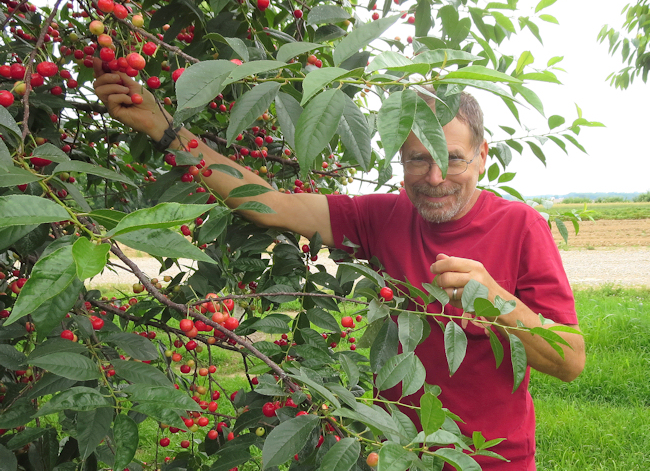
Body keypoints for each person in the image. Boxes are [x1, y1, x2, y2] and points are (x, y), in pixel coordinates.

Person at [93, 61, 585, 470]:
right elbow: (269, 203)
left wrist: (496, 299)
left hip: (492, 461)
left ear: (481, 156)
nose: (435, 177)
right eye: (417, 159)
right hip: (393, 454)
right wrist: (164, 128)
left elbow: (570, 362)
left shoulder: (522, 227)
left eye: (451, 158)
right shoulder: (380, 217)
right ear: (400, 158)